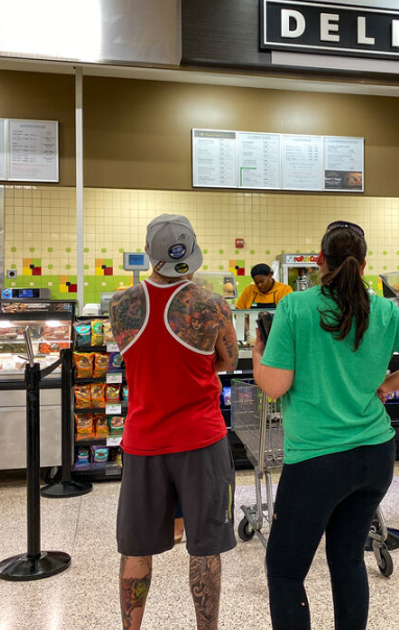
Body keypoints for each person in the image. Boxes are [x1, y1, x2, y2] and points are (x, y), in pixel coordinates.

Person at [254, 221, 399, 630]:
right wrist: (390, 384)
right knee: (346, 558)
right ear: (363, 265)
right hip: (375, 455)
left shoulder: (296, 306)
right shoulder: (382, 309)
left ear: (319, 261)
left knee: (286, 570)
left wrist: (260, 352)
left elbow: (276, 385)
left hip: (316, 461)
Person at [107, 213, 239, 630]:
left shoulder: (120, 305)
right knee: (204, 548)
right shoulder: (211, 304)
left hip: (143, 440)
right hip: (201, 439)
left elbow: (139, 358)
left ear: (148, 255)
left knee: (136, 549)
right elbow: (227, 361)